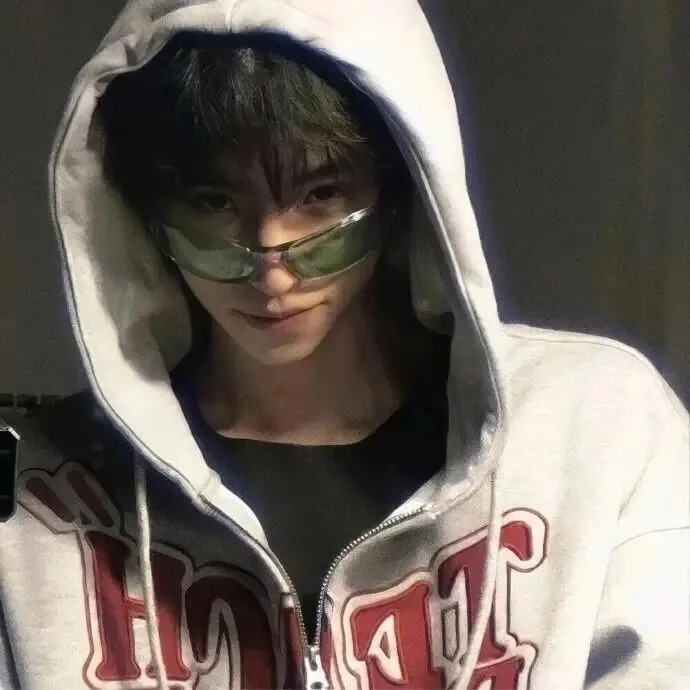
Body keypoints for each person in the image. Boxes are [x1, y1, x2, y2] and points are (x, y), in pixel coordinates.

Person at [0, 1, 688, 689]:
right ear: (146, 211)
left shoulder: (597, 428)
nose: (271, 264)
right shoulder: (37, 491)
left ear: (401, 190)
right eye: (214, 202)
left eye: (321, 194)